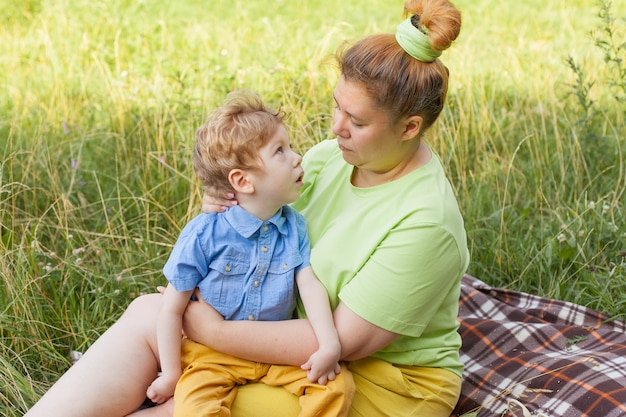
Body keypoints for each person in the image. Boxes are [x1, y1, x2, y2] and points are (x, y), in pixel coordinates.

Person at [24, 0, 468, 416]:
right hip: (277, 328)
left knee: (180, 407)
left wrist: (212, 331)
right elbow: (256, 218)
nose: (336, 129)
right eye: (337, 108)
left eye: (357, 121)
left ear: (410, 127)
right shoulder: (332, 157)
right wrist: (223, 209)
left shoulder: (427, 222)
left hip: (373, 380)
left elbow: (343, 341)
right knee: (149, 313)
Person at [145, 90, 353, 416]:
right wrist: (171, 372)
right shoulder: (205, 234)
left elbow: (309, 284)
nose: (298, 157)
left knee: (337, 388)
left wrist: (329, 344)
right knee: (194, 409)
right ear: (243, 181)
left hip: (273, 354)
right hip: (211, 355)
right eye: (280, 151)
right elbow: (172, 308)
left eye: (290, 146)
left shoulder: (294, 226)